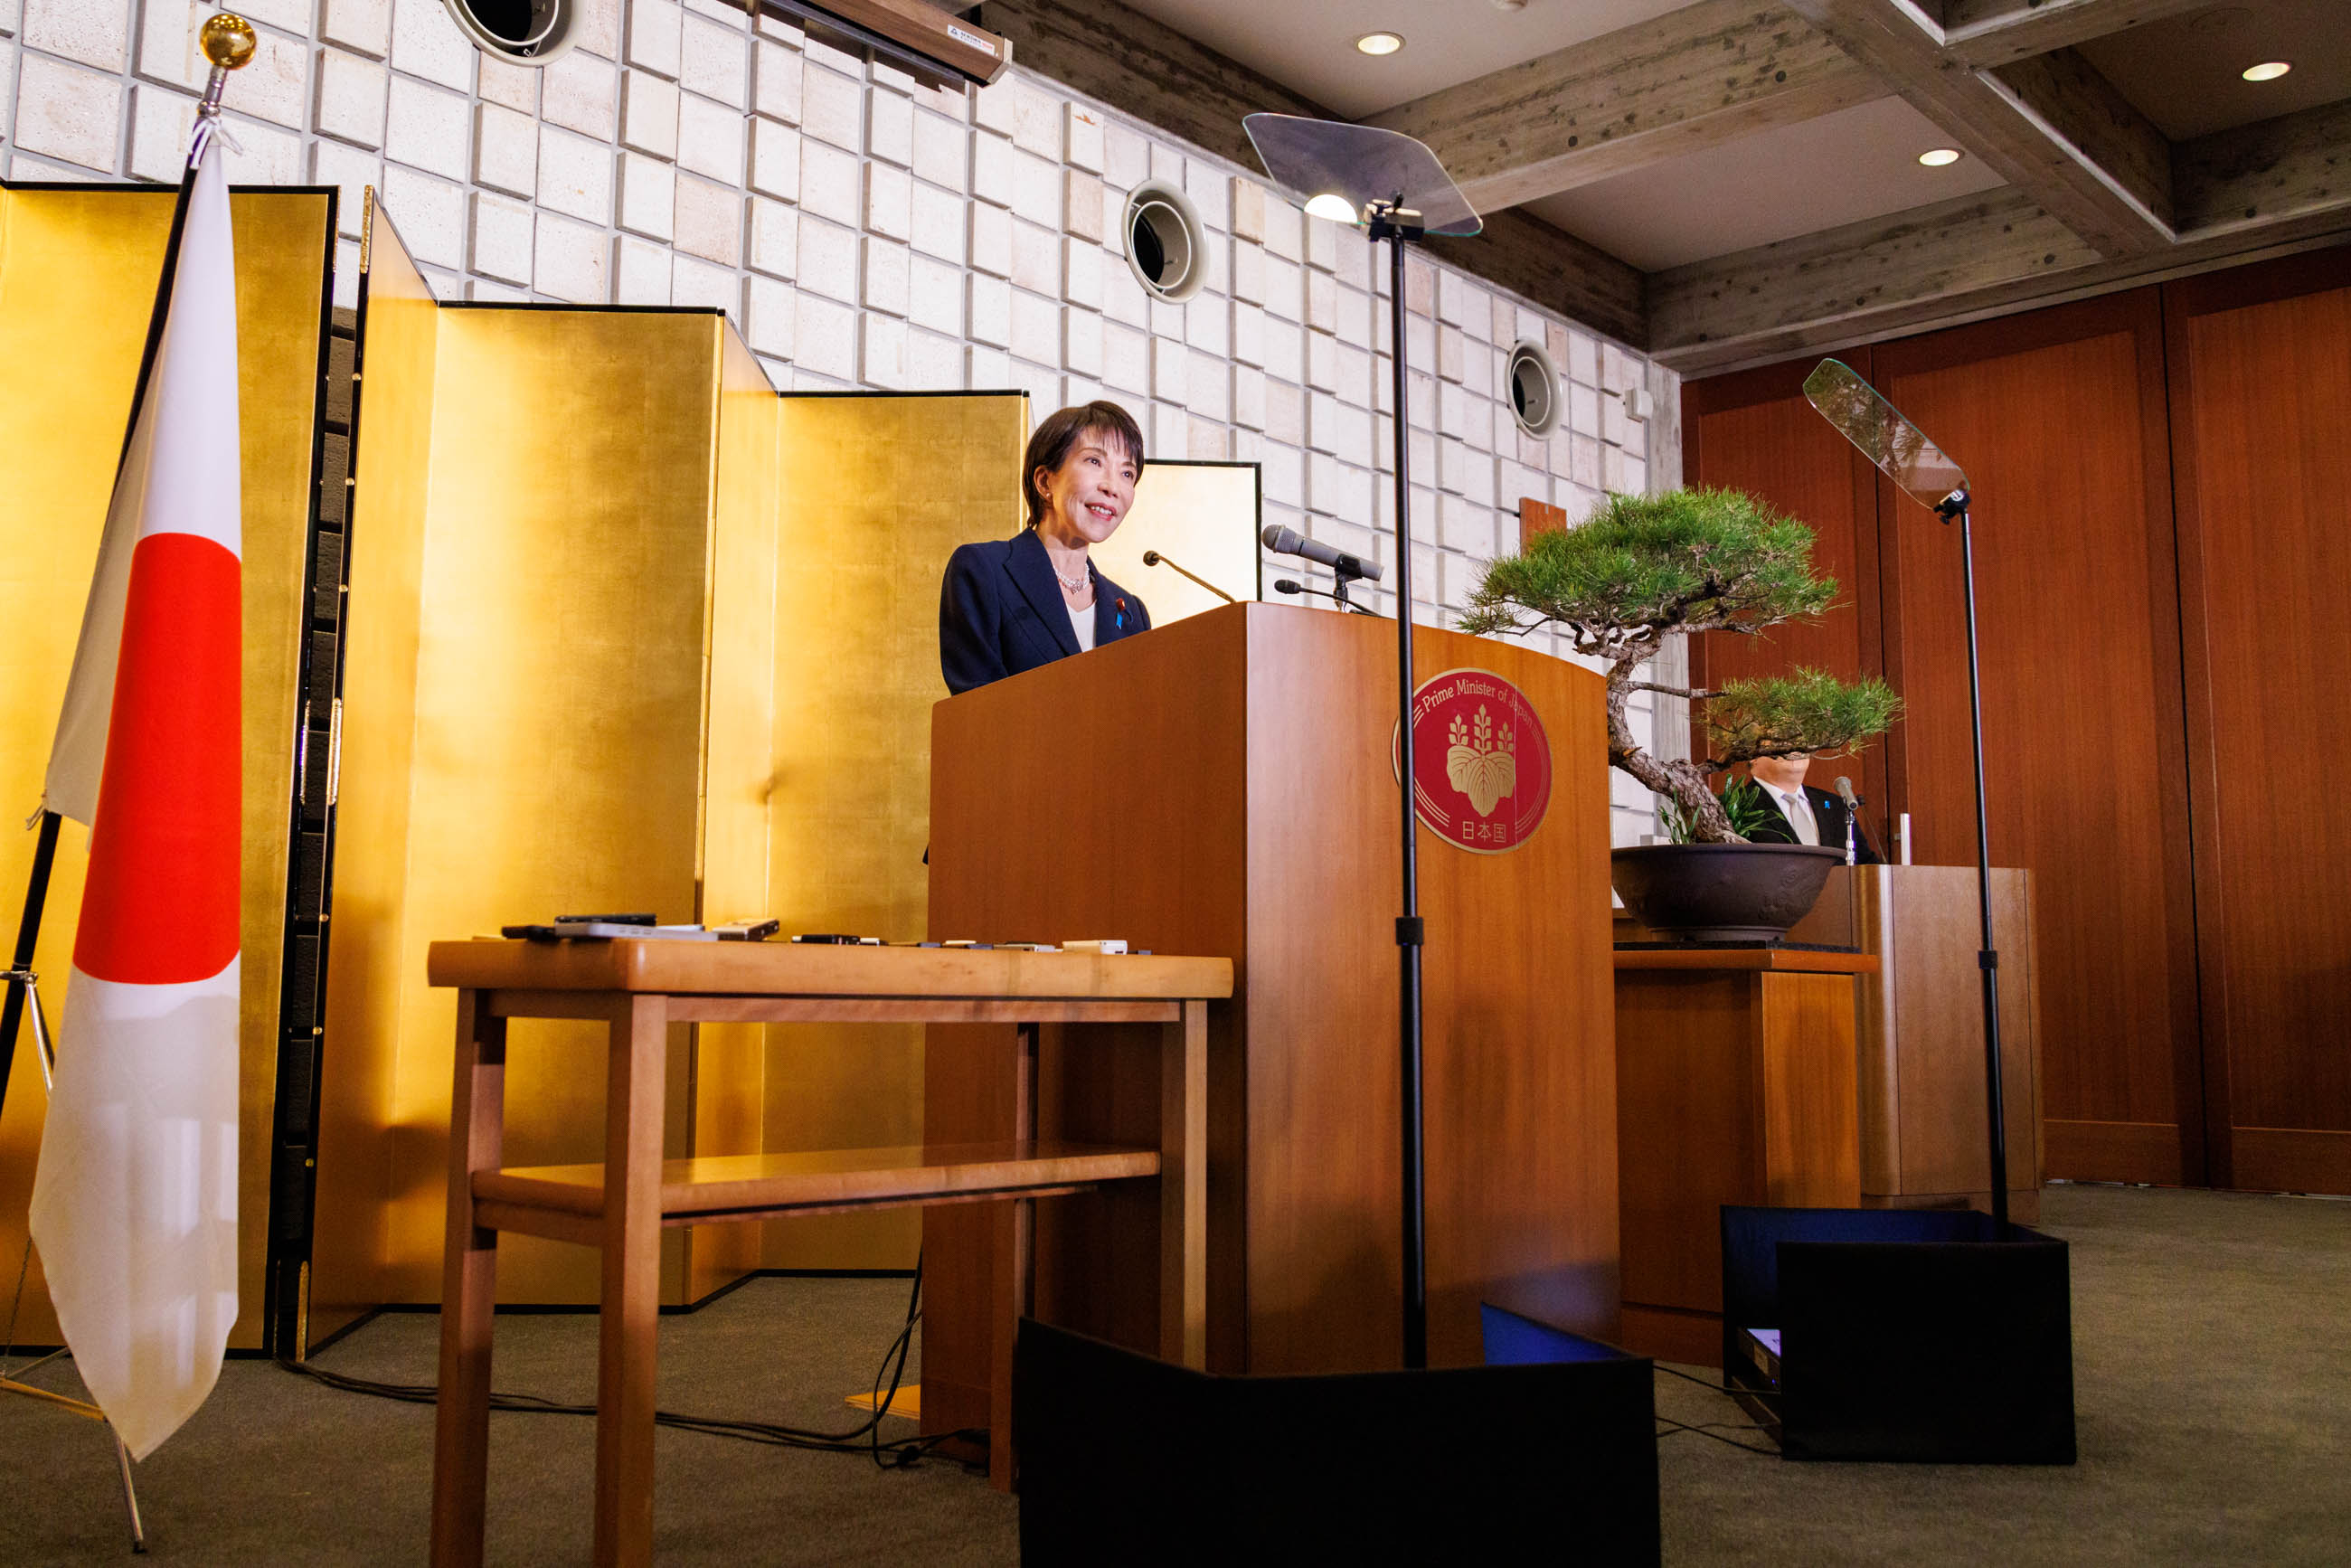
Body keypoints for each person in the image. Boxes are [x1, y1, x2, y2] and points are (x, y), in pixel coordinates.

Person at [939, 401, 1153, 695]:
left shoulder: (1130, 613)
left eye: (1127, 473)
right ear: (1044, 481)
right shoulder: (983, 571)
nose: (1113, 487)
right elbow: (977, 709)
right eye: (1094, 461)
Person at [1743, 751, 1884, 864]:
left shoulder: (1835, 805)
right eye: (1781, 739)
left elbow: (1866, 865)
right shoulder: (1736, 806)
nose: (1794, 747)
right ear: (1753, 756)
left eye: (1799, 740)